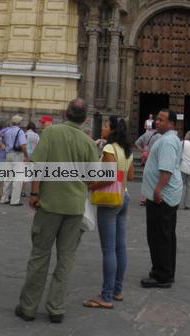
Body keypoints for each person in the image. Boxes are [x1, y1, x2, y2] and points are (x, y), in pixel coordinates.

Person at [15, 98, 99, 324]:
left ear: (65, 113)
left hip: (49, 205)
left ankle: (28, 307)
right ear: (84, 118)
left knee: (40, 256)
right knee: (66, 259)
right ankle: (56, 308)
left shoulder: (51, 134)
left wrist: (34, 194)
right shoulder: (88, 142)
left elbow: (38, 167)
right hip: (74, 208)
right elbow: (93, 178)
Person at [83, 115, 134, 309]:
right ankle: (117, 290)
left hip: (110, 201)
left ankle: (106, 296)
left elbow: (109, 176)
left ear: (111, 129)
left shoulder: (109, 148)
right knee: (120, 247)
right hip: (124, 197)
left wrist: (90, 186)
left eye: (105, 125)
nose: (103, 127)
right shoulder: (126, 150)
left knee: (109, 249)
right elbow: (130, 175)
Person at [141, 109, 183, 289]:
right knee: (166, 236)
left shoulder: (166, 141)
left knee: (158, 236)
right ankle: (166, 271)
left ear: (172, 124)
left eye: (161, 120)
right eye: (157, 119)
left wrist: (157, 189)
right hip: (168, 195)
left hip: (162, 197)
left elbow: (166, 170)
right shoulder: (171, 139)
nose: (157, 122)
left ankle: (161, 275)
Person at [0, 115, 27, 206]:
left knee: (7, 177)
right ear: (19, 123)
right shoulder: (20, 131)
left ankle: (4, 198)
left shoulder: (7, 131)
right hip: (17, 155)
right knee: (18, 178)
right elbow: (23, 145)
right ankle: (15, 200)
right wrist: (26, 156)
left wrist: (4, 147)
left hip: (8, 154)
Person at [135, 126, 162, 205]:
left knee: (145, 179)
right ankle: (152, 197)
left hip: (146, 158)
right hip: (156, 160)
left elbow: (137, 143)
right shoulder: (161, 136)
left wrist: (143, 151)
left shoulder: (146, 134)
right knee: (155, 179)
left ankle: (143, 199)